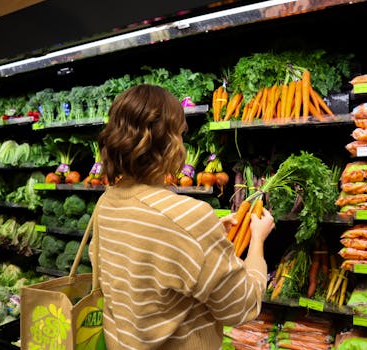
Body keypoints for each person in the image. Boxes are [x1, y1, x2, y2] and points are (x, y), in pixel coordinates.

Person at [91, 83, 275, 349]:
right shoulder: (189, 218)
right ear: (170, 141)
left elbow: (137, 269)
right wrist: (257, 243)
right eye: (180, 133)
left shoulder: (106, 202)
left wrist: (201, 236)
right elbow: (241, 308)